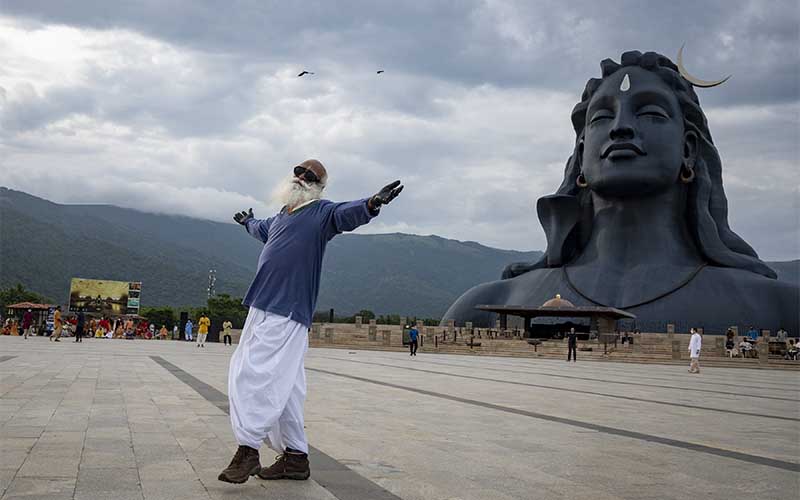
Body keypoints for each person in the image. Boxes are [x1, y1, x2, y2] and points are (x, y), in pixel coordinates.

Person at [442, 51, 799, 334]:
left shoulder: (781, 307)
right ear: (581, 154)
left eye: (651, 113)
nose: (621, 127)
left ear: (688, 149)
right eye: (601, 117)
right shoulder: (487, 304)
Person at [218, 159, 402, 484]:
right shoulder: (279, 218)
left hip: (287, 310)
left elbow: (348, 214)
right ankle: (296, 459)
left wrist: (372, 203)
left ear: (319, 185)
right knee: (287, 387)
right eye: (299, 171)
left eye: (311, 176)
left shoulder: (322, 214)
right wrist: (247, 222)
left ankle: (247, 449)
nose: (302, 177)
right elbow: (259, 228)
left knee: (250, 375)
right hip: (260, 305)